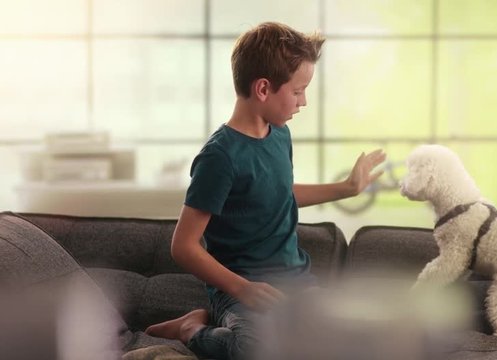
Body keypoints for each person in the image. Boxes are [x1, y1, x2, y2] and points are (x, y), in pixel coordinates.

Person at [144, 22, 386, 360]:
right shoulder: (220, 157)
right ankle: (192, 328)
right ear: (263, 89)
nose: (304, 101)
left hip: (296, 283)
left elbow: (278, 194)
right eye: (299, 90)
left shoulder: (279, 134)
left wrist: (347, 188)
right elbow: (183, 246)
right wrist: (242, 288)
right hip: (240, 290)